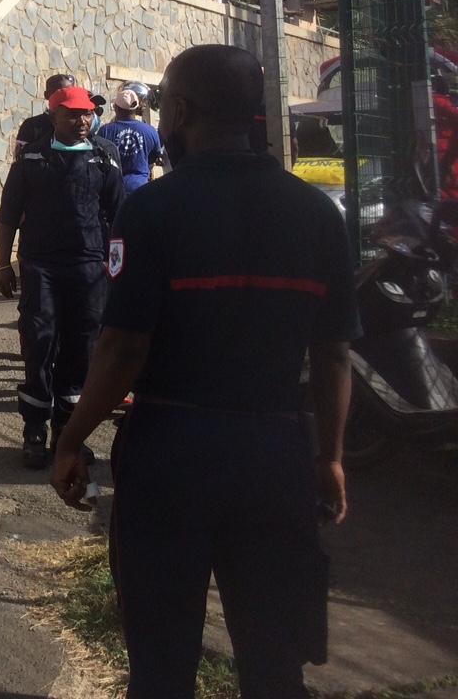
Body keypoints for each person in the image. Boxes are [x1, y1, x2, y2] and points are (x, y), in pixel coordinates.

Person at [52, 45, 358, 698]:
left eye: (164, 104)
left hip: (170, 453)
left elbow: (122, 350)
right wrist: (329, 456)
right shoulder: (318, 215)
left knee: (162, 664)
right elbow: (333, 353)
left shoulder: (154, 211)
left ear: (183, 109)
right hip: (275, 454)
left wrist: (73, 437)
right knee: (275, 663)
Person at [0, 85, 125, 468]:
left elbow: (120, 220)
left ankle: (67, 434)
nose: (82, 120)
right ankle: (34, 429)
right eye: (72, 114)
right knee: (39, 340)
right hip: (41, 266)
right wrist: (4, 264)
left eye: (87, 113)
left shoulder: (106, 157)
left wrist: (118, 271)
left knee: (82, 347)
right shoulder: (31, 158)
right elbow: (8, 215)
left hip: (90, 269)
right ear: (53, 116)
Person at [15, 74, 106, 158]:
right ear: (53, 119)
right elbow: (20, 158)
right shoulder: (31, 126)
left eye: (87, 114)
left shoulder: (101, 153)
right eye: (59, 91)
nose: (82, 122)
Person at [97, 86, 164, 194]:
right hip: (140, 188)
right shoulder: (150, 131)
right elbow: (154, 156)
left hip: (113, 191)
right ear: (136, 107)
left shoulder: (105, 131)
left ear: (116, 108)